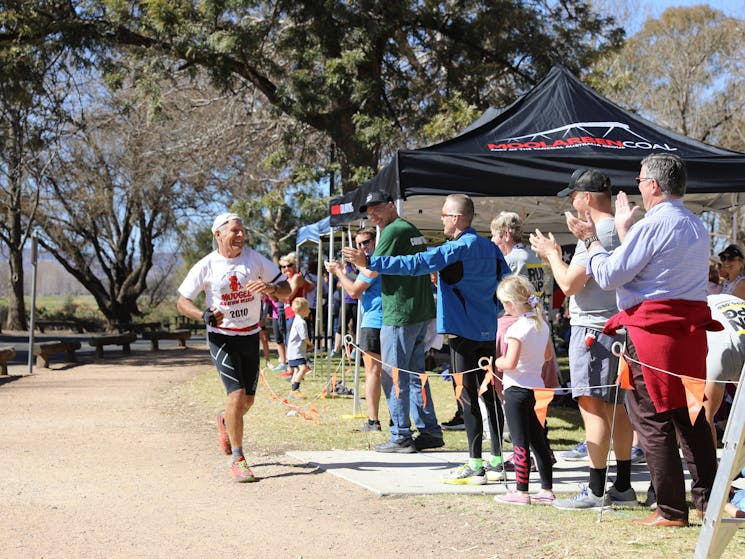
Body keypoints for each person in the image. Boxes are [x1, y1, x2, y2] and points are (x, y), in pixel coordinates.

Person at [566, 153, 720, 527]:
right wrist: (623, 231)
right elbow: (649, 271)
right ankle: (708, 502)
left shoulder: (654, 226)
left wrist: (589, 240)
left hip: (652, 333)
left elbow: (609, 274)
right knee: (692, 417)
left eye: (639, 181)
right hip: (689, 334)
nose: (636, 187)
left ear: (653, 185)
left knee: (651, 419)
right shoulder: (697, 226)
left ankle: (670, 509)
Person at [345, 194, 507, 478]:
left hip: (461, 333)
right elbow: (506, 284)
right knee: (490, 396)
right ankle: (495, 458)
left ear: (456, 218)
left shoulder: (455, 248)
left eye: (444, 215)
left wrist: (370, 260)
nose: (441, 219)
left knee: (467, 397)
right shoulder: (490, 248)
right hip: (488, 331)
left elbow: (415, 263)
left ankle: (475, 463)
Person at [530, 168, 636, 510]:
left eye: (573, 196)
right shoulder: (623, 226)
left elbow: (568, 285)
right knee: (619, 410)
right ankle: (622, 485)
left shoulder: (595, 233)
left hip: (592, 331)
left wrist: (551, 255)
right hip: (622, 328)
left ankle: (595, 490)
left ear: (586, 198)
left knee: (593, 409)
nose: (572, 203)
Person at [177, 212, 290, 482]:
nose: (241, 235)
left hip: (250, 335)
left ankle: (226, 422)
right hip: (222, 337)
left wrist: (271, 289)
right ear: (218, 235)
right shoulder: (207, 265)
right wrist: (202, 315)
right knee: (237, 395)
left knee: (247, 402)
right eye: (234, 231)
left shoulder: (254, 258)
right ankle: (239, 459)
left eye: (242, 231)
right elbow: (183, 301)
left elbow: (285, 289)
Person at [341, 189, 442, 453]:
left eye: (376, 208)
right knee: (414, 375)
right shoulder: (409, 228)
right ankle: (430, 430)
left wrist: (355, 263)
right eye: (368, 210)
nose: (372, 213)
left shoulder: (393, 230)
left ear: (390, 205)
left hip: (399, 312)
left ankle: (400, 435)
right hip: (418, 311)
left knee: (393, 375)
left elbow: (373, 268)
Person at [493, 274, 555, 505]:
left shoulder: (517, 329)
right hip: (538, 389)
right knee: (539, 441)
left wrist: (495, 362)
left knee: (520, 441)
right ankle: (547, 489)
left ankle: (521, 491)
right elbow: (547, 356)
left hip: (517, 389)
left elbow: (508, 363)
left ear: (510, 304)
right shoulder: (541, 325)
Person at [325, 227, 383, 431]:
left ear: (376, 240)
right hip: (379, 320)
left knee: (373, 372)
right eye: (358, 244)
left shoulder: (375, 262)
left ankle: (374, 420)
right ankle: (393, 422)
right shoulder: (375, 262)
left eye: (366, 242)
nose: (362, 247)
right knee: (384, 373)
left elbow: (353, 291)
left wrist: (338, 272)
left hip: (375, 321)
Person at [704, 293, 745, 446]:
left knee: (705, 414)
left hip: (724, 346)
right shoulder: (732, 298)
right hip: (730, 338)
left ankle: (708, 469)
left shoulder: (700, 304)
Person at [286, 297, 313, 399]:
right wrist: (310, 344)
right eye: (308, 308)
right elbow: (304, 337)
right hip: (297, 351)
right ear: (302, 310)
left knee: (297, 370)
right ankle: (294, 390)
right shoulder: (301, 322)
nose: (309, 311)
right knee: (303, 368)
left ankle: (293, 390)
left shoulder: (296, 320)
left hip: (293, 351)